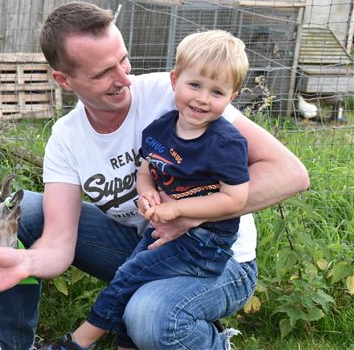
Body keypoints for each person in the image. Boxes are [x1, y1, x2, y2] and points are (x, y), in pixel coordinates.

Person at [0, 1, 309, 350]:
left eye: (123, 60)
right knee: (13, 211)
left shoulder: (181, 94)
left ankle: (200, 335)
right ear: (64, 80)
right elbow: (58, 243)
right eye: (103, 73)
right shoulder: (67, 138)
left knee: (150, 318)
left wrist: (188, 214)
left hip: (219, 255)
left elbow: (290, 174)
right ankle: (5, 345)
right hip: (148, 241)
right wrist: (24, 262)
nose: (124, 78)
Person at [43, 29, 252, 350]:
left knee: (130, 277)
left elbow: (235, 198)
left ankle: (77, 342)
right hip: (159, 232)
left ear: (232, 97)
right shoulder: (161, 127)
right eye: (195, 85)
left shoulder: (225, 142)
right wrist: (147, 191)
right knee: (134, 279)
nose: (202, 98)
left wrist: (179, 210)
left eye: (216, 92)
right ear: (175, 80)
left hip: (207, 247)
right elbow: (146, 169)